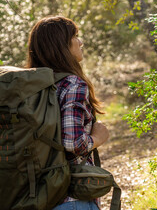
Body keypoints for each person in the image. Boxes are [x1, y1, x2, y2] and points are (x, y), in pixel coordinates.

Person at [26, 16, 110, 210]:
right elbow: (73, 143)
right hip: (71, 199)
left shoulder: (33, 86)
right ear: (61, 44)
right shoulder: (72, 84)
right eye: (75, 36)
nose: (81, 42)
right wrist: (98, 137)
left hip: (35, 196)